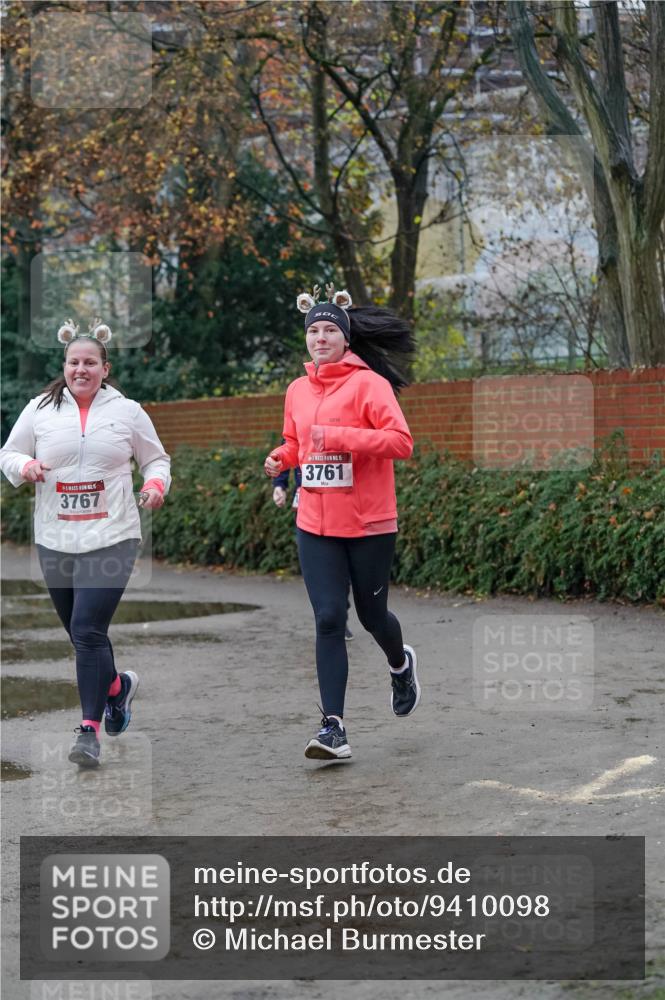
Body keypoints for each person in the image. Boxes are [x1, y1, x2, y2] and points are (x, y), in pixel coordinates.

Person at [0, 318, 170, 768]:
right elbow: (8, 453)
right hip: (55, 536)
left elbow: (156, 459)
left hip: (112, 534)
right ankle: (116, 687)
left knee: (88, 629)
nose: (81, 369)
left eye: (90, 362)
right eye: (74, 362)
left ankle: (89, 731)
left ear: (105, 368)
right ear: (64, 366)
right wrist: (25, 467)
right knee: (81, 635)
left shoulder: (127, 412)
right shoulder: (39, 409)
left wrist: (155, 484)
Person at [264, 283, 420, 760]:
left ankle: (400, 664)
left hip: (369, 523)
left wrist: (341, 437)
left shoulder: (369, 385)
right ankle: (333, 727)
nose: (321, 338)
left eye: (330, 330)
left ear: (345, 338)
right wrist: (281, 457)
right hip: (315, 523)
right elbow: (297, 442)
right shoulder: (297, 389)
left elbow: (401, 442)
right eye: (314, 331)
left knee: (372, 617)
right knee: (329, 617)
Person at [273, 455, 353, 641]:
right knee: (318, 567)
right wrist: (279, 484)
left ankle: (340, 616)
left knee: (341, 565)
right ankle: (327, 618)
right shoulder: (298, 432)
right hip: (307, 503)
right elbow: (288, 448)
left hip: (339, 502)